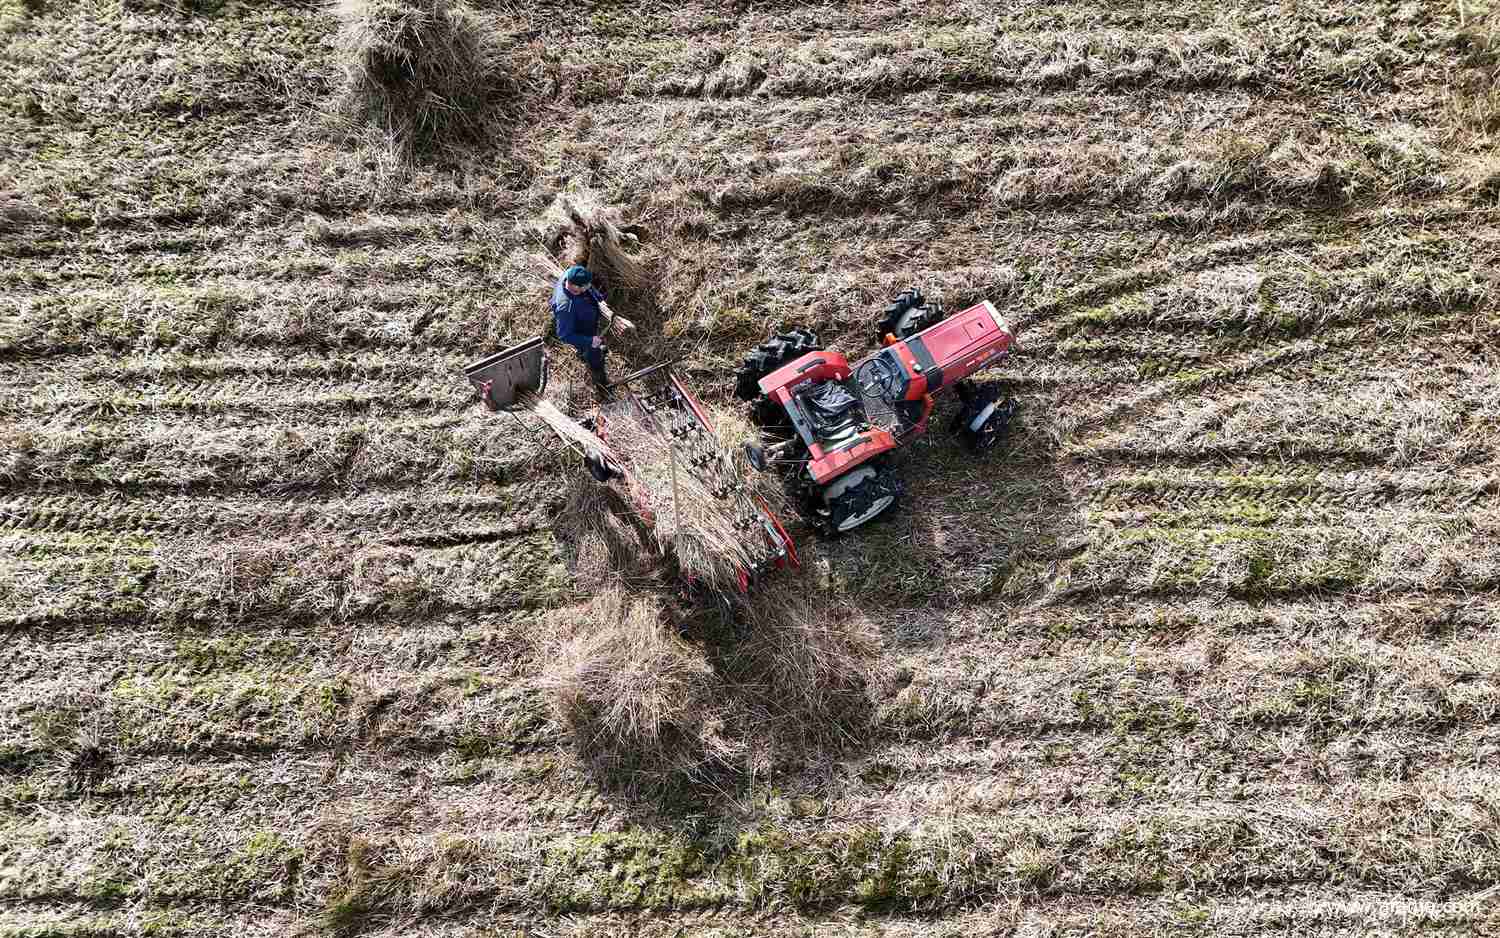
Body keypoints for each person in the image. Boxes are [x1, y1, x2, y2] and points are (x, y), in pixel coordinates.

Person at [551, 264, 610, 387]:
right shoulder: (566, 308)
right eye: (586, 286)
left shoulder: (572, 274)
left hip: (587, 320)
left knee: (593, 346)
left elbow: (589, 289)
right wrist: (590, 341)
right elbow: (564, 335)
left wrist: (598, 299)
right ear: (576, 288)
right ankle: (600, 382)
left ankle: (586, 353)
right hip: (583, 333)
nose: (589, 286)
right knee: (594, 355)